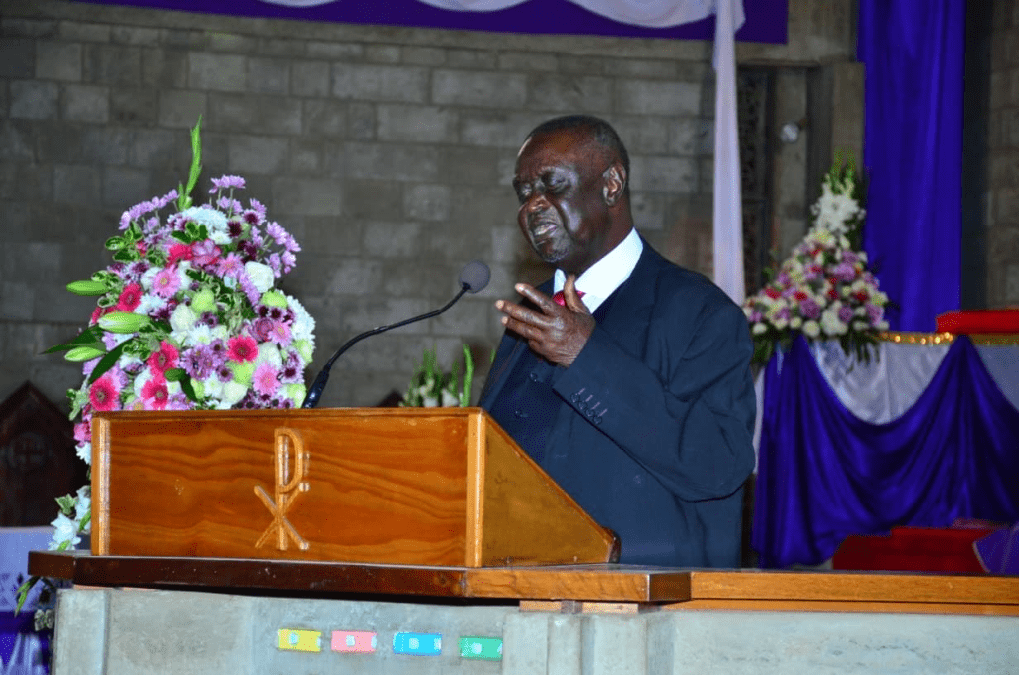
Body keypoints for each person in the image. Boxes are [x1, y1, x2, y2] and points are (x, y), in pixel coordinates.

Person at [479, 115, 756, 568]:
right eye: (525, 193)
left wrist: (588, 358)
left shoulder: (702, 314)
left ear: (611, 185)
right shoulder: (529, 313)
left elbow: (719, 463)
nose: (533, 206)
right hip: (520, 594)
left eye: (552, 185)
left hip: (640, 607)